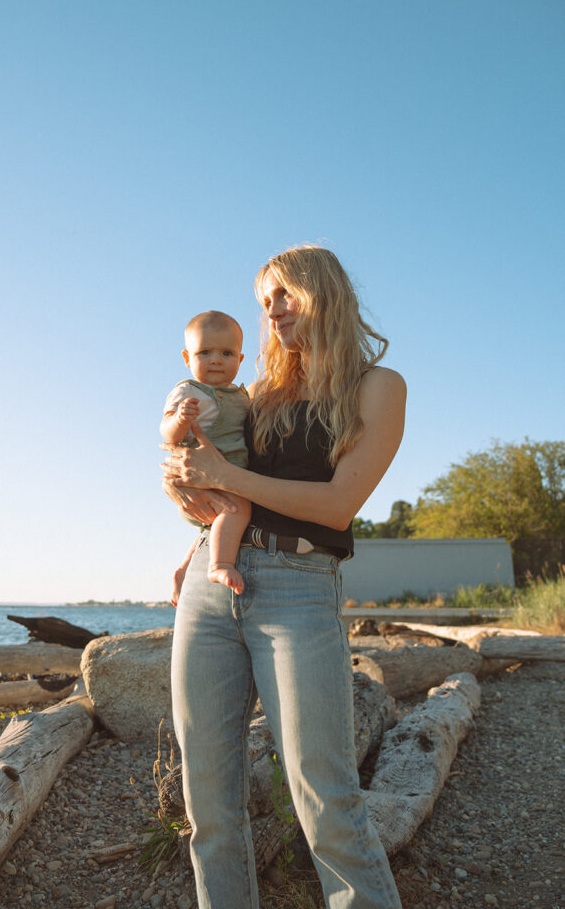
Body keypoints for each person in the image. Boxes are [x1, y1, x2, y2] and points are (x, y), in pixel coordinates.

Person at [162, 245, 406, 909]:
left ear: (322, 293)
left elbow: (336, 504)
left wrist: (220, 477)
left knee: (323, 797)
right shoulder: (255, 390)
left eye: (283, 295)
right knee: (208, 806)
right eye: (264, 300)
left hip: (300, 588)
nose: (270, 312)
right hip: (215, 590)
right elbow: (197, 473)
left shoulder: (376, 386)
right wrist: (184, 493)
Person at [160, 310, 251, 605]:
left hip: (226, 476)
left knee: (212, 528)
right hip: (204, 483)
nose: (215, 359)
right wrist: (180, 420)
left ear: (240, 360)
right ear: (187, 358)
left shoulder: (240, 395)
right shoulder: (188, 391)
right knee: (237, 509)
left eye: (226, 353)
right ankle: (219, 564)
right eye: (205, 352)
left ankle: (184, 570)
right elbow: (167, 433)